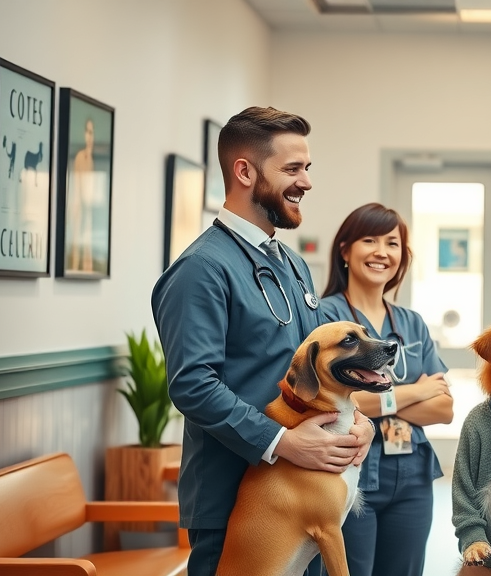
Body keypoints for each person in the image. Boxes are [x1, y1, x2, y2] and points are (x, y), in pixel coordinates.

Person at [151, 106, 375, 576]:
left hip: (308, 497)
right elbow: (193, 384)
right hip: (237, 504)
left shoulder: (291, 264)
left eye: (307, 168)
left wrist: (354, 426)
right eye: (292, 169)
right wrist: (281, 443)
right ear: (245, 171)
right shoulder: (201, 270)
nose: (306, 182)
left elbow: (316, 372)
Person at [318, 202, 491, 576]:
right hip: (352, 468)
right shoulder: (324, 318)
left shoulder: (411, 322)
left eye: (393, 243)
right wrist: (415, 392)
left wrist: (377, 402)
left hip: (412, 473)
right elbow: (332, 403)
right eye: (369, 240)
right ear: (345, 250)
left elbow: (444, 409)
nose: (381, 252)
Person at [66, 118, 95, 272]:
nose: (90, 137)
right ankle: (75, 267)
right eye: (88, 132)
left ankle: (85, 269)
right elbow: (76, 186)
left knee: (87, 246)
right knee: (77, 243)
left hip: (87, 208)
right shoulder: (79, 158)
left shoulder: (91, 160)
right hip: (79, 207)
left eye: (92, 133)